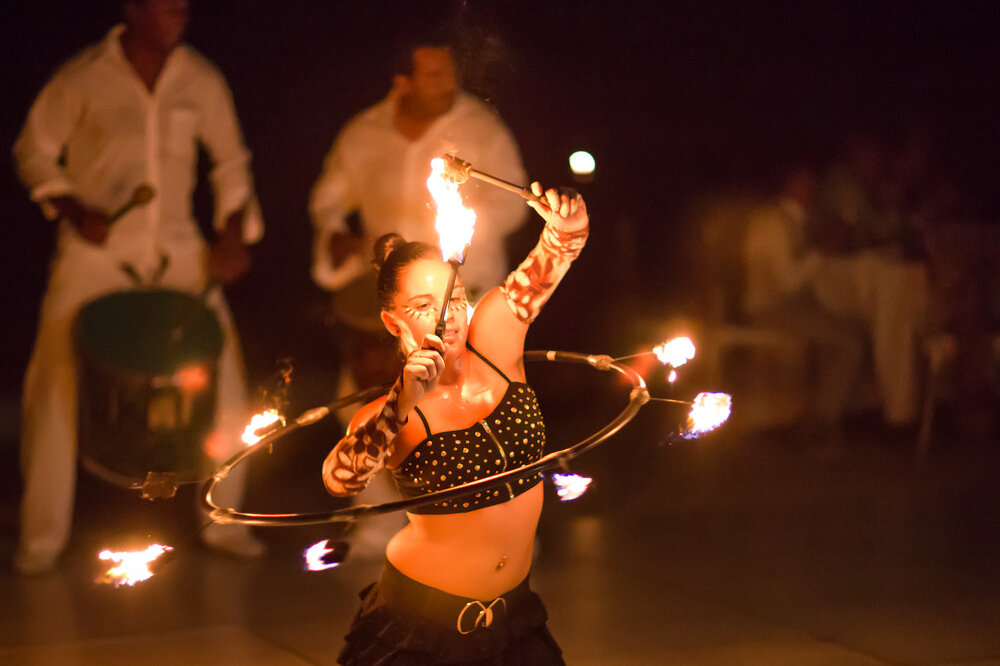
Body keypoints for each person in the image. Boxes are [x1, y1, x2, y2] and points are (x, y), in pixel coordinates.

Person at [12, 0, 264, 574]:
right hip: (96, 254)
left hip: (177, 250)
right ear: (132, 7)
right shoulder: (81, 77)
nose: (180, 8)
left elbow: (231, 164)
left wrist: (231, 234)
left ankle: (224, 524)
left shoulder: (200, 78)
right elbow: (33, 150)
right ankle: (40, 539)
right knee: (54, 382)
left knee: (225, 376)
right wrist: (73, 209)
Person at [323, 183, 587, 664]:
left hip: (515, 622)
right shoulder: (389, 414)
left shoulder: (495, 337)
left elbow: (561, 248)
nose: (448, 317)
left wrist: (566, 219)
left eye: (455, 298)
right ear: (392, 323)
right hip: (420, 629)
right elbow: (342, 479)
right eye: (423, 307)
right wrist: (400, 403)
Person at [310, 30, 529, 557]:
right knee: (373, 410)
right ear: (401, 80)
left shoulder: (480, 128)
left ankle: (494, 522)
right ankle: (385, 522)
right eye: (432, 73)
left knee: (476, 409)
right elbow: (326, 202)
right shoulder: (362, 133)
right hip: (400, 304)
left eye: (450, 69)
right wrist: (339, 238)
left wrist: (450, 252)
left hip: (466, 292)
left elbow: (515, 206)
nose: (447, 81)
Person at [743, 166, 865, 437]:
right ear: (792, 183)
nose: (811, 188)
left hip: (794, 306)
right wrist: (822, 250)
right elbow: (788, 283)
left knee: (851, 328)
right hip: (772, 308)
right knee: (850, 344)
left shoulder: (800, 219)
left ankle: (819, 414)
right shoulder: (771, 222)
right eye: (805, 181)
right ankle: (822, 419)